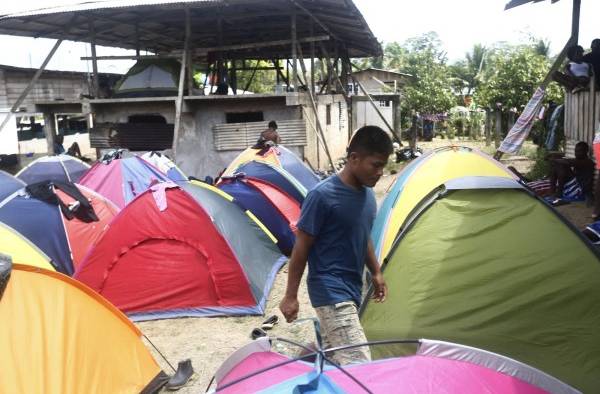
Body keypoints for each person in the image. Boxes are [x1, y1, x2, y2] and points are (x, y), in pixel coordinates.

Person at [279, 125, 393, 366]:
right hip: (330, 289)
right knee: (358, 362)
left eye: (383, 165)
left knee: (329, 354)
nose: (380, 172)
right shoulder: (322, 196)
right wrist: (290, 296)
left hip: (353, 289)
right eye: (376, 164)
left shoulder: (368, 196)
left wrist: (376, 272)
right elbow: (301, 248)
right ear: (354, 158)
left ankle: (292, 373)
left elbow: (363, 236)